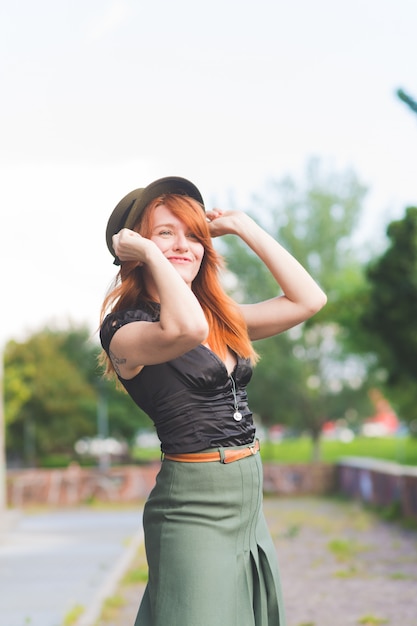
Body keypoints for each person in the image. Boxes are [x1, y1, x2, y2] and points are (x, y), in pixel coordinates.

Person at [99, 176, 327, 626]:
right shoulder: (123, 330)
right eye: (166, 233)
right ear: (133, 248)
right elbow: (185, 331)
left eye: (194, 234)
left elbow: (309, 300)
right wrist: (149, 255)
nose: (185, 245)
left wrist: (246, 227)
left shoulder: (219, 318)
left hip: (247, 502)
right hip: (192, 508)